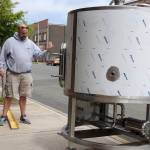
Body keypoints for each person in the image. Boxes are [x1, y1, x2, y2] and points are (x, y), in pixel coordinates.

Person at [0, 23, 49, 126]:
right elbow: (2, 56)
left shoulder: (30, 43)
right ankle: (3, 116)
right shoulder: (10, 42)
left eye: (26, 30)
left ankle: (23, 116)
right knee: (8, 95)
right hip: (12, 73)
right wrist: (1, 68)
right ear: (18, 30)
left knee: (24, 96)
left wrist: (46, 49)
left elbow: (38, 55)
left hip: (26, 74)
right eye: (22, 29)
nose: (24, 31)